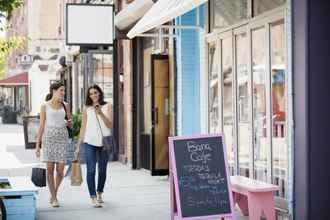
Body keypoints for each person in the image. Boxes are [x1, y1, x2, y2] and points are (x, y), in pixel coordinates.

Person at [35, 82, 72, 208]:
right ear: (53, 91)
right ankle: (54, 197)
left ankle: (54, 193)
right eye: (61, 90)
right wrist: (37, 145)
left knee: (60, 170)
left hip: (62, 138)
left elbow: (70, 123)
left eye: (63, 90)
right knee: (50, 169)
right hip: (49, 138)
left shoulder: (65, 105)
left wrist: (68, 123)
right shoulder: (45, 106)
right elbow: (41, 126)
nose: (63, 93)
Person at [75, 84, 112, 208]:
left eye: (95, 92)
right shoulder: (86, 108)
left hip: (104, 143)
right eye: (91, 93)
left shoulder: (108, 106)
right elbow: (83, 127)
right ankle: (93, 197)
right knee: (91, 170)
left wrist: (100, 112)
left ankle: (99, 192)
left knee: (102, 171)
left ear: (100, 93)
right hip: (89, 142)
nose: (94, 95)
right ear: (89, 96)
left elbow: (110, 125)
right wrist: (78, 146)